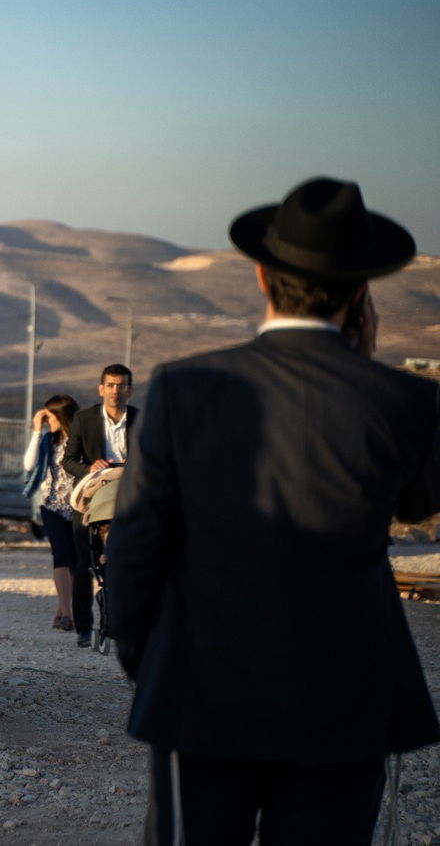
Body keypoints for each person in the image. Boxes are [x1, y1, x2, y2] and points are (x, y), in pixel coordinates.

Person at [108, 177, 440, 843]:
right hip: (344, 697)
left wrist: (146, 657)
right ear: (358, 293)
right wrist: (364, 365)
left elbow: (139, 537)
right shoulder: (407, 399)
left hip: (202, 687)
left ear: (262, 276)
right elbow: (416, 505)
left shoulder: (184, 386)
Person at [61, 364, 137, 647]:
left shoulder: (141, 419)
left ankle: (121, 622)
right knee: (84, 564)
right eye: (110, 385)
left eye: (121, 386)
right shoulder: (84, 419)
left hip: (128, 495)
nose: (115, 391)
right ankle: (84, 626)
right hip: (92, 494)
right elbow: (68, 461)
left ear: (129, 389)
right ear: (101, 388)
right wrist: (90, 467)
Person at [22, 394, 81, 631]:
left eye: (51, 415)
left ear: (63, 415)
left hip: (79, 507)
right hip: (51, 505)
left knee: (76, 561)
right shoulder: (48, 440)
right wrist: (37, 432)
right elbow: (28, 464)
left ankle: (62, 611)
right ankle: (67, 614)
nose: (48, 420)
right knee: (61, 556)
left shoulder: (82, 441)